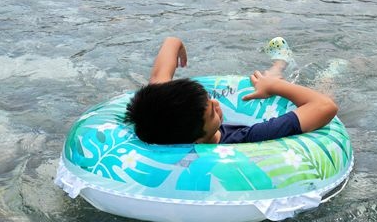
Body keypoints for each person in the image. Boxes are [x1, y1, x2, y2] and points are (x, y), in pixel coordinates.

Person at [124, 36, 338, 145]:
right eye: (211, 112)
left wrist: (175, 42)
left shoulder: (157, 120)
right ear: (197, 140)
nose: (217, 104)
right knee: (322, 89)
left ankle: (279, 65)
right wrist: (273, 87)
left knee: (267, 81)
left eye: (210, 100)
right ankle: (325, 72)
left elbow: (159, 76)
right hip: (285, 108)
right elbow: (324, 106)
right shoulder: (246, 139)